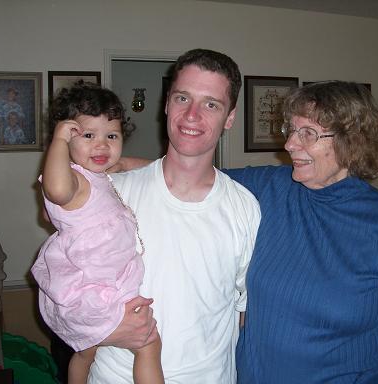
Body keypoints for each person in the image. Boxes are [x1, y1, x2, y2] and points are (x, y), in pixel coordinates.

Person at [225, 81, 378, 383]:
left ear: (352, 142)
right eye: (291, 130)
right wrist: (128, 168)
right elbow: (190, 177)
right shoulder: (269, 188)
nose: (289, 145)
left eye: (308, 133)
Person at [88, 49, 261, 383]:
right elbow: (63, 289)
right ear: (166, 103)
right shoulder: (110, 193)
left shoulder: (244, 208)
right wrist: (103, 330)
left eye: (211, 104)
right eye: (183, 98)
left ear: (230, 117)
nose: (192, 115)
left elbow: (241, 309)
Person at [31, 82, 164, 384]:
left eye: (111, 136)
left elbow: (140, 166)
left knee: (85, 354)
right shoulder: (73, 182)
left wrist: (170, 169)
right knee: (149, 342)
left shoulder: (100, 174)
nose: (102, 145)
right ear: (68, 140)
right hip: (95, 288)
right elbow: (55, 188)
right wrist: (59, 142)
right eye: (88, 135)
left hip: (101, 280)